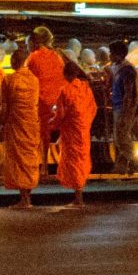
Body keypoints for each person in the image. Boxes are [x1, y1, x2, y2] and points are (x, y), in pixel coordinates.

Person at [52, 61, 97, 207]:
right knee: (81, 159)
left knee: (73, 162)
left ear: (65, 75)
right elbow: (93, 108)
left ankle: (78, 198)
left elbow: (60, 115)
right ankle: (79, 195)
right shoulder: (86, 88)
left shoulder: (64, 90)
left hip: (71, 131)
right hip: (83, 129)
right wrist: (85, 123)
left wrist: (50, 125)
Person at [0, 50, 40, 208]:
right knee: (29, 157)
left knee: (18, 159)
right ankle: (26, 197)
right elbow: (35, 102)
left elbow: (4, 106)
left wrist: (2, 121)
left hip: (16, 123)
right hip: (31, 123)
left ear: (14, 62)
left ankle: (24, 199)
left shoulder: (9, 79)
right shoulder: (34, 80)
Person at [25, 26, 67, 175]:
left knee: (42, 135)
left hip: (40, 101)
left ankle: (41, 165)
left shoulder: (33, 57)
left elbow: (26, 78)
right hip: (58, 101)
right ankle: (58, 164)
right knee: (61, 132)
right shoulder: (57, 56)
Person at [109, 40, 138, 174]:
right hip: (117, 107)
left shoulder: (127, 70)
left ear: (118, 54)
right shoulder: (118, 67)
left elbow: (130, 94)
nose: (109, 56)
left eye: (111, 53)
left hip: (125, 109)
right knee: (119, 137)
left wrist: (127, 113)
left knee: (121, 137)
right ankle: (123, 166)